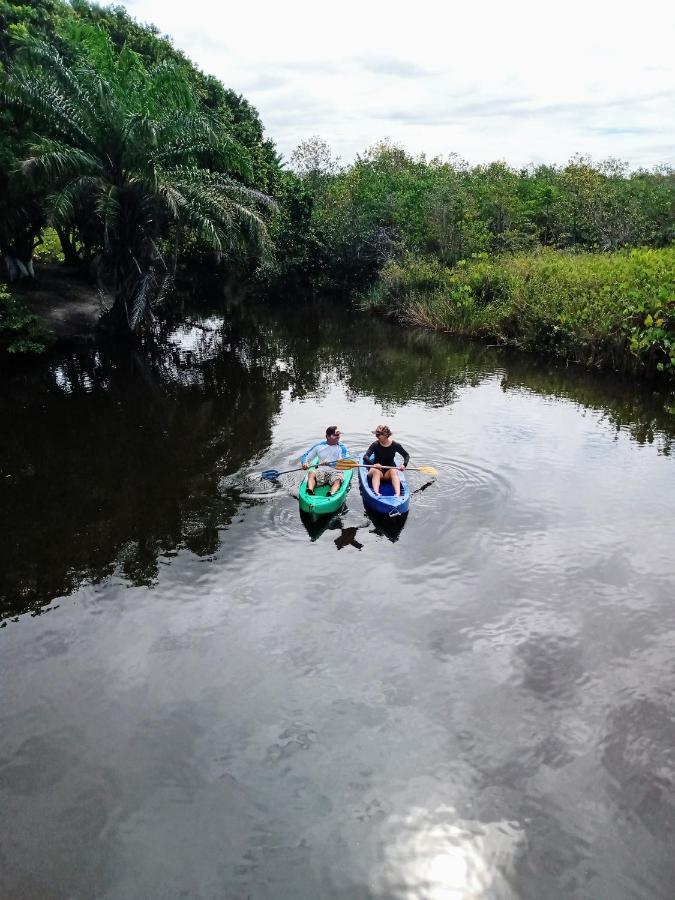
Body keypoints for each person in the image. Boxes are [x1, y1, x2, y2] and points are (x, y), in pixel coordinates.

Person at [300, 425, 349, 496]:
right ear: (328, 436)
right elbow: (305, 456)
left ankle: (331, 492)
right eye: (335, 435)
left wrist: (330, 464)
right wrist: (305, 463)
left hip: (336, 471)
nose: (338, 437)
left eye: (339, 435)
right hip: (321, 470)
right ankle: (310, 489)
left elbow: (343, 463)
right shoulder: (319, 446)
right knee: (311, 473)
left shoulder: (342, 448)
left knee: (337, 480)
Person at [364, 424, 409, 497]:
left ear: (385, 435)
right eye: (376, 435)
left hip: (389, 472)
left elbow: (406, 455)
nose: (376, 436)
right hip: (377, 470)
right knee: (376, 471)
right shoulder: (375, 444)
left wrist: (404, 465)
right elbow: (365, 457)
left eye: (378, 435)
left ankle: (397, 494)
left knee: (394, 471)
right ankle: (376, 493)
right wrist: (374, 464)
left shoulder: (395, 445)